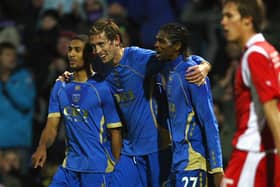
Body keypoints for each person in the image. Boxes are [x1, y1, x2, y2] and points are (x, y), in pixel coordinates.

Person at [86, 18, 211, 187]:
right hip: (131, 151)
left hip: (157, 148)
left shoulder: (137, 58)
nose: (97, 51)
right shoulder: (103, 67)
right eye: (94, 46)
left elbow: (176, 56)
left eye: (101, 44)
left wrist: (204, 65)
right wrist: (69, 78)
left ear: (116, 40)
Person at [31, 34, 122, 187]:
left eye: (77, 50)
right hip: (69, 167)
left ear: (89, 54)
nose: (71, 54)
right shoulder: (60, 86)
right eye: (70, 50)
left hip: (98, 168)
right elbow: (51, 126)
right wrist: (42, 146)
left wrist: (118, 168)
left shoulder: (103, 88)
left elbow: (115, 132)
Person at [152, 22, 224, 187]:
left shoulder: (193, 74)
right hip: (178, 161)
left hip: (194, 160)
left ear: (177, 45)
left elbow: (209, 121)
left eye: (162, 41)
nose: (156, 45)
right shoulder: (174, 70)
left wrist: (217, 167)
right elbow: (192, 57)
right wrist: (205, 63)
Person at [220, 0, 280, 186]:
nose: (223, 22)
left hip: (251, 152)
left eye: (229, 16)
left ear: (247, 20)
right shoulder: (268, 51)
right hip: (266, 151)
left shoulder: (255, 55)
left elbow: (270, 107)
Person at [0, 41, 36, 179]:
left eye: (14, 55)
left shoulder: (23, 76)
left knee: (16, 182)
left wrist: (7, 83)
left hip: (18, 143)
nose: (12, 58)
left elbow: (26, 103)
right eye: (7, 54)